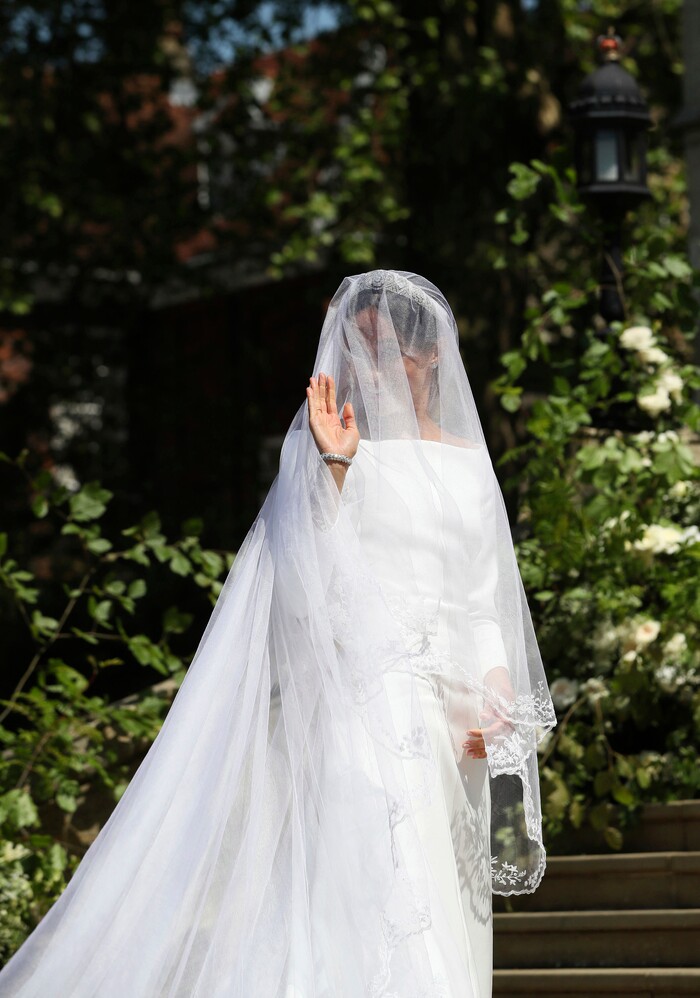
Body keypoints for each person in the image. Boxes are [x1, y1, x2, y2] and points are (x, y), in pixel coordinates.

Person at [0, 270, 555, 998]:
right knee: (367, 894)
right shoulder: (330, 447)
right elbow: (302, 587)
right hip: (364, 712)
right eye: (359, 344)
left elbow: (482, 602)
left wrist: (499, 695)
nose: (371, 362)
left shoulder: (468, 462)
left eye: (388, 347)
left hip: (454, 729)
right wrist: (333, 467)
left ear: (428, 359)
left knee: (448, 914)